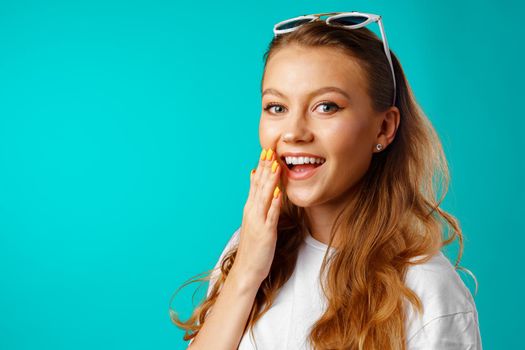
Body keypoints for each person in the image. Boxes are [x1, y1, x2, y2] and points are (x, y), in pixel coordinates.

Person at [170, 11, 482, 350]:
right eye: (276, 107)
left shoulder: (428, 292)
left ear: (384, 128)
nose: (293, 133)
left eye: (326, 107)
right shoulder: (248, 249)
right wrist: (246, 271)